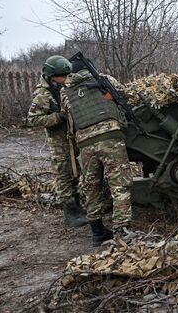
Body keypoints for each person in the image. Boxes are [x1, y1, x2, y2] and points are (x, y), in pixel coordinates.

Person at [61, 60, 133, 246]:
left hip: (85, 144)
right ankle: (122, 232)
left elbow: (66, 113)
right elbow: (124, 94)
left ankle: (97, 233)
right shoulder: (104, 79)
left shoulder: (65, 92)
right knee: (119, 185)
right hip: (110, 138)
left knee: (91, 187)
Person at [27, 55, 87, 227]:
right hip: (58, 142)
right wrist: (58, 117)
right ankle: (70, 214)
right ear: (52, 75)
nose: (67, 78)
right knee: (63, 175)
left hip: (71, 139)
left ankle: (77, 207)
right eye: (64, 75)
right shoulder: (43, 94)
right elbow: (32, 119)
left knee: (75, 173)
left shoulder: (61, 86)